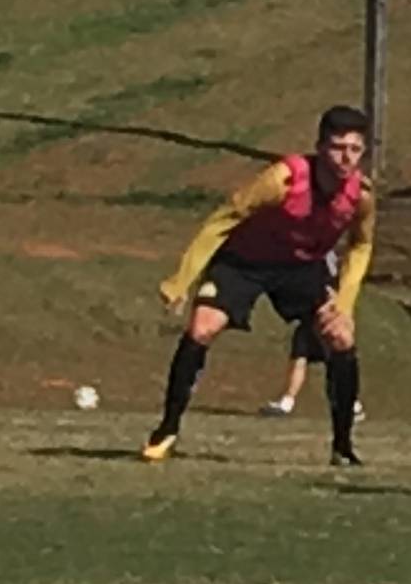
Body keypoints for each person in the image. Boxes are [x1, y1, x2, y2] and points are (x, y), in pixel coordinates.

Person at [142, 106, 374, 468]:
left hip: (301, 268)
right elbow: (225, 218)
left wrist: (344, 303)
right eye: (337, 147)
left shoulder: (360, 196)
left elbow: (361, 245)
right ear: (319, 146)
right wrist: (182, 279)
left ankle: (342, 446)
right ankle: (166, 430)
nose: (346, 158)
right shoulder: (283, 180)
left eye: (355, 150)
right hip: (243, 262)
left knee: (341, 338)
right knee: (202, 328)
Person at [260, 320, 365, 425]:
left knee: (335, 363)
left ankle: (351, 406)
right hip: (315, 321)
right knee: (300, 355)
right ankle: (287, 401)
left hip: (331, 321)